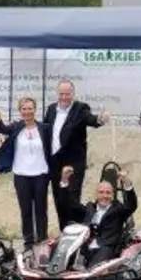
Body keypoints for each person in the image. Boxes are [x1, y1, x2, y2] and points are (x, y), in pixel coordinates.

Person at [0, 97, 54, 250]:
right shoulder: (16, 127)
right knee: (26, 210)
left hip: (41, 174)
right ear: (20, 111)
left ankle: (42, 240)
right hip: (21, 175)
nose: (27, 112)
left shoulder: (45, 128)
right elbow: (3, 129)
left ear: (35, 109)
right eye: (24, 109)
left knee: (41, 210)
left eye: (30, 108)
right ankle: (28, 242)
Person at [42, 79, 110, 216]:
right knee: (59, 199)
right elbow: (45, 130)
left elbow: (90, 119)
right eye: (61, 94)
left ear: (73, 94)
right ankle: (64, 230)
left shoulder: (80, 108)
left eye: (67, 94)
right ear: (57, 93)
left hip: (73, 162)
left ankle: (83, 222)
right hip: (55, 162)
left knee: (72, 199)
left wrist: (100, 119)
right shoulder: (50, 109)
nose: (64, 97)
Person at [56, 165, 137, 267]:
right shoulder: (90, 208)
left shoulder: (118, 209)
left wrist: (127, 183)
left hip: (105, 248)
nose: (104, 196)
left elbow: (131, 205)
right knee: (62, 261)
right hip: (84, 246)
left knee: (93, 270)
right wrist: (64, 180)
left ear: (113, 195)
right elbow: (68, 204)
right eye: (101, 192)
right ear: (96, 195)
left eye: (108, 193)